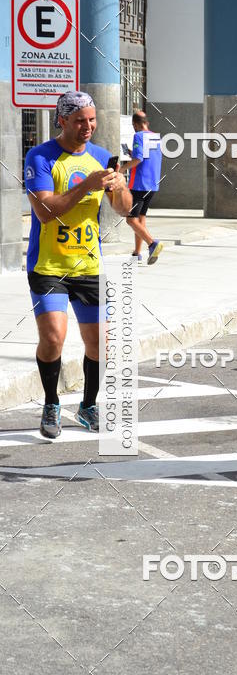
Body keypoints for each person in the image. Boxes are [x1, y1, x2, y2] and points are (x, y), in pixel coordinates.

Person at [24, 90, 132, 439]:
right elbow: (45, 211)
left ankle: (87, 406)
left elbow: (124, 209)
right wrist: (88, 183)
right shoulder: (40, 157)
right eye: (80, 120)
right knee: (53, 338)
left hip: (88, 266)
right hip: (49, 266)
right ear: (62, 121)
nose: (88, 126)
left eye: (92, 120)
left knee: (101, 343)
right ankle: (51, 403)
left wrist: (119, 186)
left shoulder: (101, 156)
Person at [123, 110, 163, 264]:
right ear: (147, 123)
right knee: (140, 218)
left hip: (139, 184)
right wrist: (132, 153)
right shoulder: (156, 137)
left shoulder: (138, 136)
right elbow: (147, 156)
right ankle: (137, 253)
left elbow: (138, 159)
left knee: (130, 220)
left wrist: (122, 169)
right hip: (152, 184)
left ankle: (152, 243)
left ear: (135, 124)